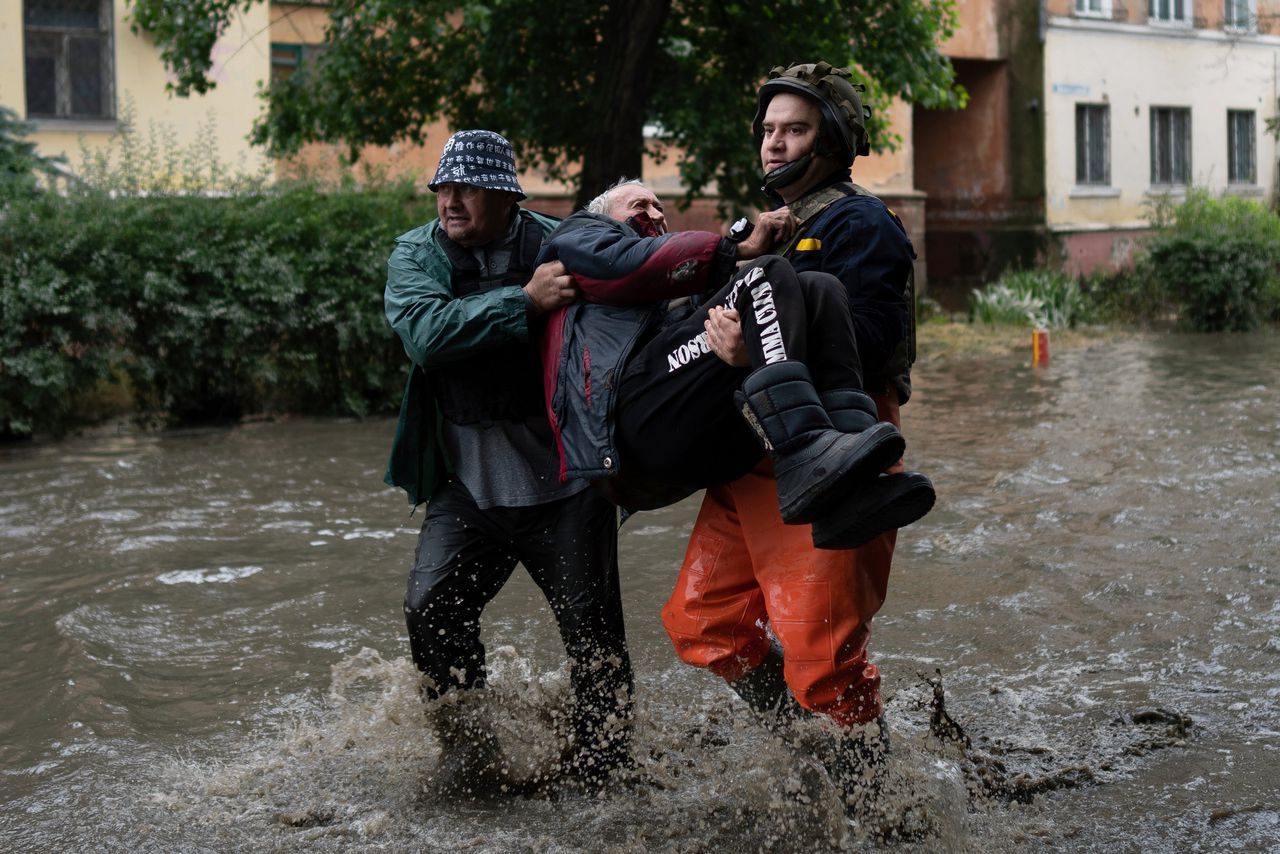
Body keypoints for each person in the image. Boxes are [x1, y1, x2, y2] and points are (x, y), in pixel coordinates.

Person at [659, 62, 927, 819]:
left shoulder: (860, 223)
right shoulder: (761, 228)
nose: (775, 143)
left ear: (833, 139)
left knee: (825, 664)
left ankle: (884, 810)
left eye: (795, 129)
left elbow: (873, 339)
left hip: (839, 450)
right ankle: (806, 751)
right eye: (769, 130)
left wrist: (765, 350)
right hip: (753, 451)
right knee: (702, 623)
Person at [382, 129, 633, 794]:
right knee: (429, 610)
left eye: (467, 188)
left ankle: (607, 770)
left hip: (568, 490)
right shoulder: (417, 254)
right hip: (469, 491)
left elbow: (641, 286)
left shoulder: (559, 244)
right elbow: (426, 335)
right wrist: (524, 302)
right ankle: (471, 754)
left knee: (595, 644)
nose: (450, 200)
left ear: (506, 197)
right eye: (443, 186)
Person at [534, 179, 934, 548]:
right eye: (641, 205)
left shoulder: (675, 289)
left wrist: (744, 343)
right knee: (767, 273)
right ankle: (802, 453)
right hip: (626, 429)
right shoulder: (579, 235)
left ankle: (856, 483)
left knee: (819, 287)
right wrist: (735, 251)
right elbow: (623, 264)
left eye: (659, 207)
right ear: (602, 216)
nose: (656, 214)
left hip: (687, 432)